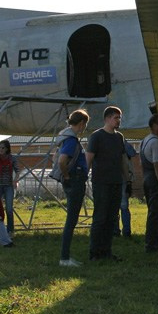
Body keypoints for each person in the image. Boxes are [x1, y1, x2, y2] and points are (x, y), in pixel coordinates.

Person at [86, 106, 128, 261]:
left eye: (119, 118)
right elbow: (89, 158)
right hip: (101, 183)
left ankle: (106, 251)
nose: (118, 121)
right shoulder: (97, 136)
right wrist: (84, 178)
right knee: (100, 217)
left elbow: (123, 159)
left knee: (112, 218)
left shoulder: (119, 137)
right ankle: (95, 252)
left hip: (116, 182)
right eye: (116, 118)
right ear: (107, 118)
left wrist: (128, 179)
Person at [56, 110, 90, 267]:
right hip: (75, 180)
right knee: (71, 220)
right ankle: (64, 258)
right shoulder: (71, 140)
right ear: (81, 123)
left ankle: (65, 256)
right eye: (85, 124)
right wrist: (67, 177)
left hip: (74, 179)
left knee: (72, 219)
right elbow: (62, 161)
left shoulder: (65, 137)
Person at [140, 113, 158, 252]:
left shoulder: (145, 140)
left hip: (147, 179)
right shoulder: (156, 142)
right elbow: (157, 164)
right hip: (155, 180)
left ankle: (150, 243)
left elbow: (142, 163)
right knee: (156, 214)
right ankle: (152, 245)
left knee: (152, 212)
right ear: (155, 125)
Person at [0, 139, 19, 235]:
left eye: (2, 148)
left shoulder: (12, 158)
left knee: (9, 209)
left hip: (8, 186)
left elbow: (17, 171)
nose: (0, 150)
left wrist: (15, 180)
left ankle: (10, 231)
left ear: (7, 148)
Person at [113, 138, 137, 239]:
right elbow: (132, 153)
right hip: (123, 177)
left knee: (115, 207)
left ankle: (116, 231)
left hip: (114, 177)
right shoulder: (123, 142)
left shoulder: (109, 141)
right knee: (123, 206)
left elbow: (132, 153)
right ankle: (126, 231)